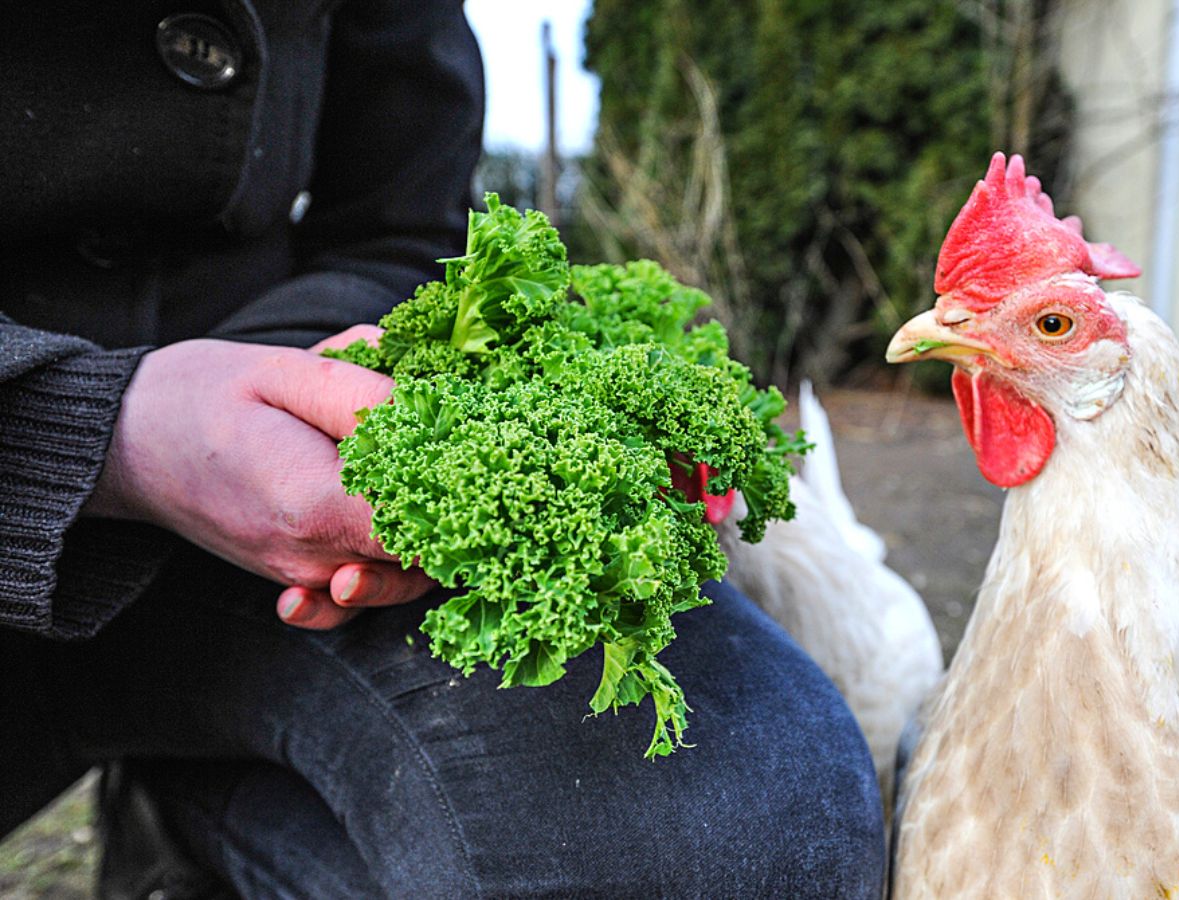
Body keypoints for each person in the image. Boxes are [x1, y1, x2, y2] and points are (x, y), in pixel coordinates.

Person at [0, 2, 885, 896]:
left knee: (741, 832)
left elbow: (401, 228)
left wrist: (301, 384)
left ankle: (201, 809)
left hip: (261, 504)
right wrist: (100, 428)